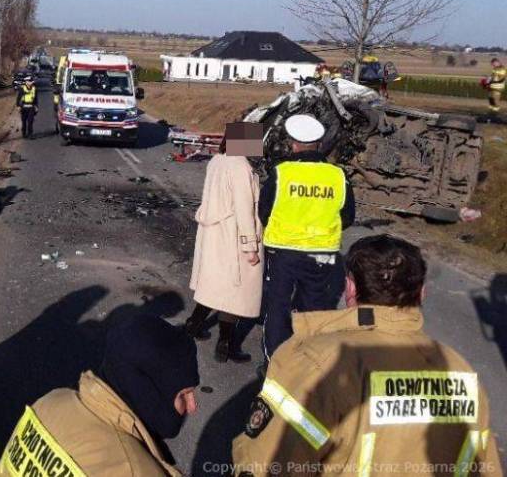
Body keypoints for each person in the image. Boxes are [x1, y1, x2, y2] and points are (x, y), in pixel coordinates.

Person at [233, 235, 502, 477]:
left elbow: (267, 463)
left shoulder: (321, 362)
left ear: (350, 287)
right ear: (422, 293)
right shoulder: (461, 372)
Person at [0, 314, 199, 477]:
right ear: (147, 390)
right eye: (183, 395)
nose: (192, 407)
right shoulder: (134, 469)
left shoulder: (52, 400)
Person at [259, 114, 355, 363]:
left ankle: (276, 361)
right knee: (314, 308)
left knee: (278, 306)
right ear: (320, 144)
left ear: (293, 144)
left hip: (283, 252)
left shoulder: (281, 173)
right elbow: (348, 216)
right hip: (322, 253)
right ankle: (307, 358)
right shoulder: (338, 176)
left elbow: (264, 212)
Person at [184, 122, 263, 363]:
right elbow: (244, 210)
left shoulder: (217, 161)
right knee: (233, 294)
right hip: (232, 237)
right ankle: (225, 345)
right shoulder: (240, 167)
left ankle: (192, 325)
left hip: (213, 235)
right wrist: (250, 246)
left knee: (214, 288)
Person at [16, 74, 38, 139]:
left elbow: (36, 99)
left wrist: (36, 106)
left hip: (31, 107)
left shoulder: (34, 89)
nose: (31, 82)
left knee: (30, 121)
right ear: (26, 82)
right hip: (24, 107)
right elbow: (18, 98)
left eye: (31, 81)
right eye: (30, 81)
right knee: (24, 121)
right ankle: (24, 133)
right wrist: (18, 106)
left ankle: (30, 134)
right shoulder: (22, 89)